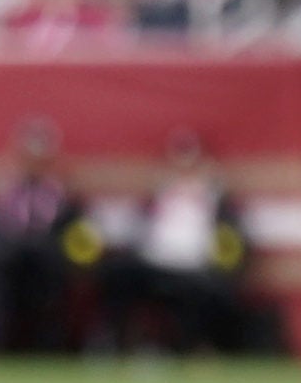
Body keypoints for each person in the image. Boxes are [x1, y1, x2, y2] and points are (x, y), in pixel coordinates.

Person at [100, 131, 252, 356]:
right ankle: (118, 343)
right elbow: (137, 228)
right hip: (155, 261)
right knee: (116, 272)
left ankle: (197, 348)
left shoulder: (215, 198)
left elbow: (233, 238)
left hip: (196, 265)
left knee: (211, 289)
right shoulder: (158, 195)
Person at [0, 119, 86, 355]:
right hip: (5, 265)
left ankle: (51, 353)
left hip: (46, 267)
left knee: (51, 287)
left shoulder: (66, 197)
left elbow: (79, 240)